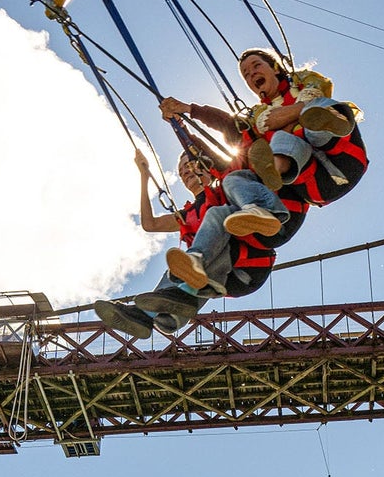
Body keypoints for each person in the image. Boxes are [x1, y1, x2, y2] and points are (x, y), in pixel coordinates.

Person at [93, 149, 280, 339]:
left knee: (215, 223)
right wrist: (144, 177)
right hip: (224, 279)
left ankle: (184, 291)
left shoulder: (226, 189)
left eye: (190, 166)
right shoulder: (187, 215)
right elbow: (150, 224)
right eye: (182, 172)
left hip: (249, 264)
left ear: (206, 168)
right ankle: (154, 316)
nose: (186, 172)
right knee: (175, 271)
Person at [160, 47, 367, 206]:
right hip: (314, 181)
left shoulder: (303, 82)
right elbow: (228, 125)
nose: (251, 74)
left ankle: (319, 124)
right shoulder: (258, 116)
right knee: (279, 140)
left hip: (344, 158)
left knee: (319, 107)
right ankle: (274, 167)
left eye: (256, 66)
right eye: (246, 74)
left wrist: (290, 115)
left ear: (275, 68)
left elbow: (317, 93)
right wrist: (187, 113)